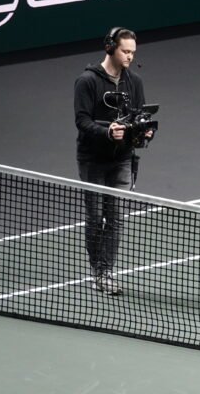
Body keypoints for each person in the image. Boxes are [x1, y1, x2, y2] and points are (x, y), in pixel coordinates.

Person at [74, 26, 148, 295]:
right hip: (93, 159)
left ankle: (104, 273)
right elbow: (81, 121)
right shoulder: (87, 81)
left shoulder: (134, 82)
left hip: (122, 159)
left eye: (132, 52)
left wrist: (144, 129)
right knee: (95, 218)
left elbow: (138, 115)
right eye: (125, 51)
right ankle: (97, 269)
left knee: (115, 218)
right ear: (110, 49)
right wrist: (106, 132)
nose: (129, 56)